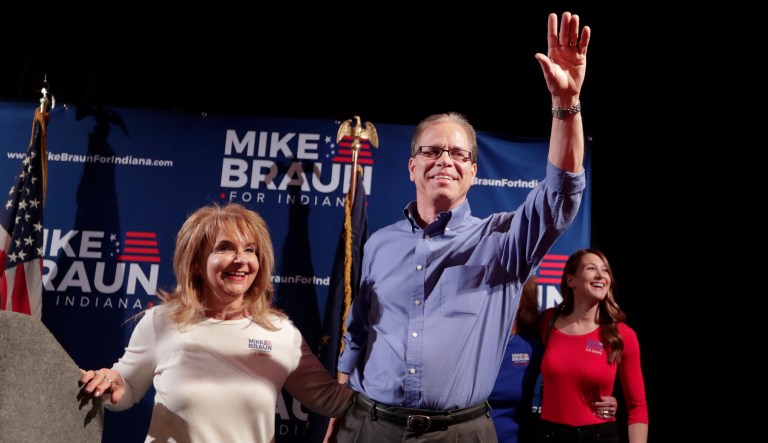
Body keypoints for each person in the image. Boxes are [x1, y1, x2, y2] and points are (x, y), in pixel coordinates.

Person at [327, 11, 591, 442]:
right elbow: (358, 332)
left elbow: (561, 193)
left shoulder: (505, 241)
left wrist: (565, 107)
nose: (444, 160)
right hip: (368, 426)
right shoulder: (379, 244)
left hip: (461, 433)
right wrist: (339, 410)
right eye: (431, 151)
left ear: (472, 171)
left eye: (457, 153)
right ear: (412, 167)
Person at [78, 202, 355, 443]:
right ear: (196, 262)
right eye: (225, 248)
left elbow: (335, 401)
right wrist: (109, 386)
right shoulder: (161, 321)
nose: (241, 260)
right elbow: (126, 389)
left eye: (250, 250)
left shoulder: (280, 332)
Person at [535, 249, 648, 443]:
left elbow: (637, 407)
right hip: (550, 435)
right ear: (571, 281)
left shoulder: (621, 335)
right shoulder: (547, 321)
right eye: (591, 268)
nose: (600, 275)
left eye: (605, 270)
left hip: (599, 436)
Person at [489, 277, 617, 443]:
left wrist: (602, 398)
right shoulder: (470, 344)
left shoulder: (533, 344)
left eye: (513, 291)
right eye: (496, 293)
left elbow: (571, 372)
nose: (504, 299)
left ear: (524, 298)